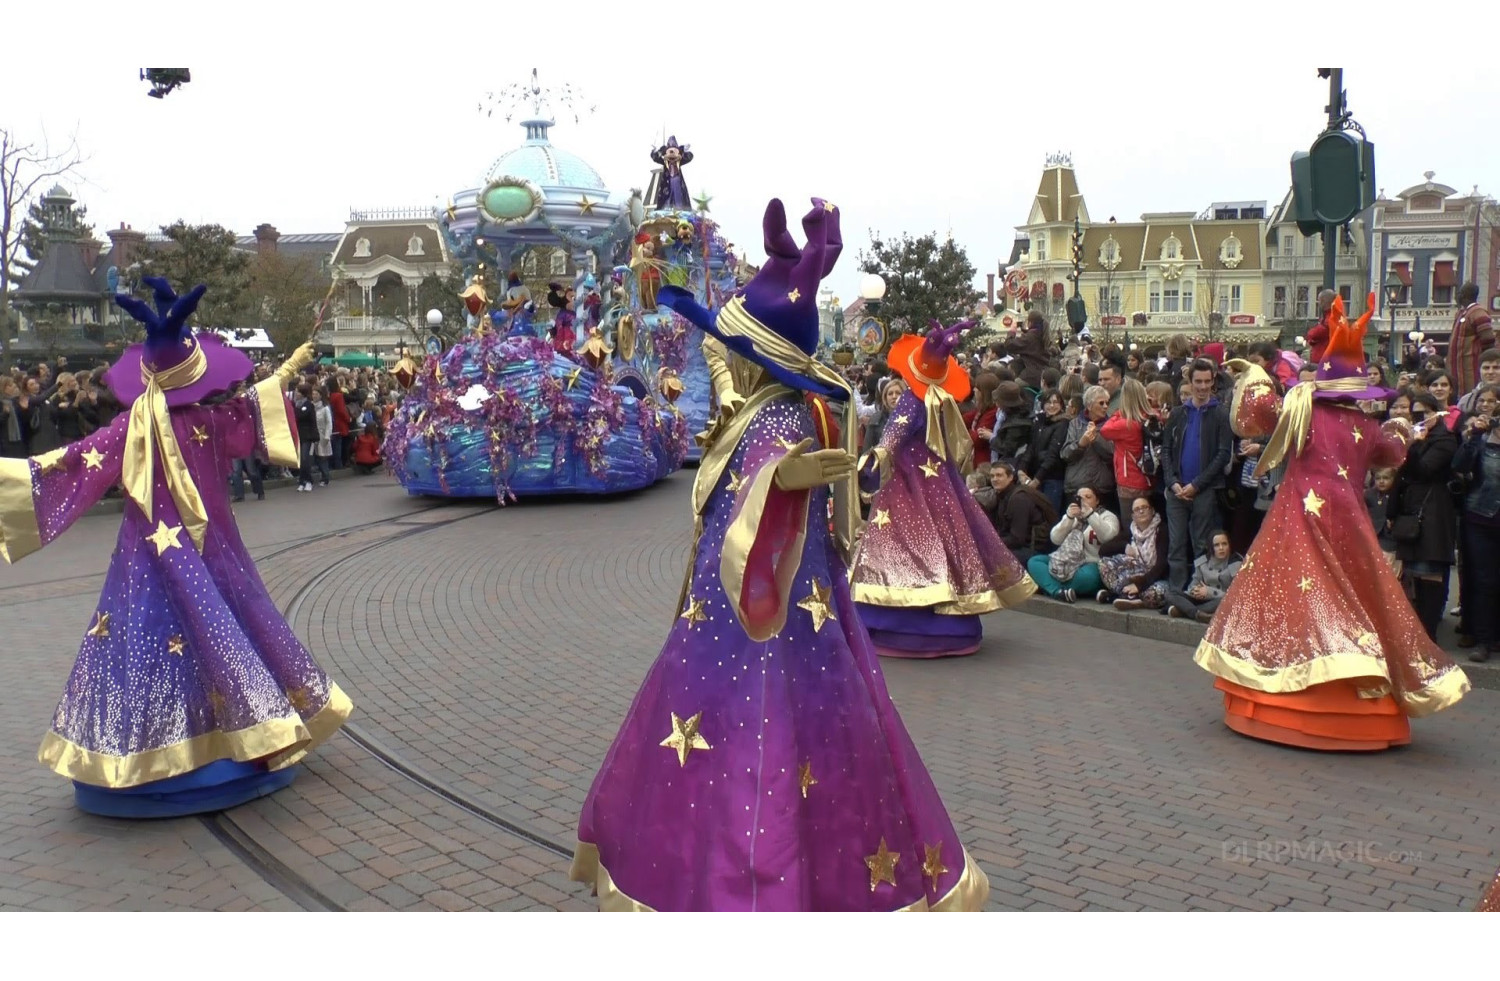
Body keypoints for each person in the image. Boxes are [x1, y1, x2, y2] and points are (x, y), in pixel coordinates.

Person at [572, 196, 988, 911]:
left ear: (761, 355)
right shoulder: (779, 409)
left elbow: (771, 489)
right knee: (804, 741)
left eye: (736, 344)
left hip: (757, 627)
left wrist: (782, 480)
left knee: (763, 748)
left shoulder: (781, 419)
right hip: (764, 619)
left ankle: (752, 890)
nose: (726, 354)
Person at [0, 277, 351, 816]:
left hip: (145, 559)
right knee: (224, 632)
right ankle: (243, 730)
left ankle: (143, 748)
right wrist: (286, 370)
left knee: (142, 644)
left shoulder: (127, 430)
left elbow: (68, 465)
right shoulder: (212, 419)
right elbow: (254, 414)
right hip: (211, 554)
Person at [1194, 297, 1468, 751]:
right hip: (1351, 522)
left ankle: (1292, 689)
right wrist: (1409, 428)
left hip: (1299, 516)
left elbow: (1255, 416)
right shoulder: (1366, 425)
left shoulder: (1304, 410)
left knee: (1297, 595)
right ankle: (1359, 686)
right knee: (1352, 593)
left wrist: (1259, 375)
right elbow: (1391, 453)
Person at [850, 319, 1036, 658]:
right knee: (949, 542)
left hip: (908, 485)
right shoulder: (943, 400)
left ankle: (902, 629)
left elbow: (892, 437)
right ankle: (953, 628)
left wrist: (872, 461)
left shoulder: (912, 401)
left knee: (908, 546)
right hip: (942, 483)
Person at [1161, 359, 1232, 589]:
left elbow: (1222, 454)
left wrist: (1198, 484)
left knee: (1201, 544)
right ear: (1189, 382)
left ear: (1213, 382)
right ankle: (1176, 591)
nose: (1202, 387)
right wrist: (1172, 482)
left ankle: (1199, 589)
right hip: (1177, 489)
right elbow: (1166, 451)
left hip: (1205, 490)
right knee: (1176, 544)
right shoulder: (1178, 413)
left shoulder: (1221, 414)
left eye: (1207, 382)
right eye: (1198, 382)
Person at [1451, 384, 1500, 662]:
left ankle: (1495, 636)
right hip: (1480, 518)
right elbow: (1459, 466)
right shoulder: (1479, 439)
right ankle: (1482, 639)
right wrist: (1473, 437)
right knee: (1483, 580)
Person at [1024, 487, 1119, 602]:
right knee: (1035, 562)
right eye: (1079, 498)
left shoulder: (1108, 516)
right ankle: (1058, 591)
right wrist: (1069, 518)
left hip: (1090, 563)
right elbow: (1055, 539)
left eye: (1088, 497)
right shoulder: (1072, 515)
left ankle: (1051, 587)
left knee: (1089, 578)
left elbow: (1107, 536)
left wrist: (1090, 514)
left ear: (1097, 500)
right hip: (1065, 561)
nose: (1083, 501)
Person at [972, 459, 1055, 564]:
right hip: (1019, 545)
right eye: (992, 476)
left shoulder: (1019, 499)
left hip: (1032, 549)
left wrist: (990, 542)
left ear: (1010, 477)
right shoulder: (1002, 496)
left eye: (999, 475)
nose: (995, 479)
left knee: (986, 556)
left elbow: (1017, 538)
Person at [1094, 496, 1169, 611]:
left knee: (1157, 593)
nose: (1141, 511)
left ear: (1152, 511)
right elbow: (1103, 550)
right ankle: (1130, 596)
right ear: (1133, 516)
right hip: (1134, 577)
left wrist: (1139, 585)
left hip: (1155, 579)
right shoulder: (1131, 531)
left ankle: (1123, 597)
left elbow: (1161, 565)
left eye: (1144, 507)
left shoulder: (1162, 530)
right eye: (1137, 509)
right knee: (1104, 563)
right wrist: (1125, 547)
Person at [1164, 531, 1241, 622]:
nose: (1221, 548)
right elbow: (1193, 585)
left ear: (1229, 545)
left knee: (1225, 601)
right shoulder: (1202, 562)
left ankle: (1183, 611)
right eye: (1216, 545)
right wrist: (1195, 591)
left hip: (1219, 599)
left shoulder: (1236, 563)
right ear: (1210, 547)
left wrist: (1209, 592)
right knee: (1170, 593)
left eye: (1224, 544)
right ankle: (1197, 614)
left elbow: (1237, 595)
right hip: (1201, 599)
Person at [1450, 282, 1496, 398]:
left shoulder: (1478, 312)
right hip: (1458, 371)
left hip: (1470, 368)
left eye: (1459, 293)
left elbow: (1488, 339)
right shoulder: (1461, 313)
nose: (1457, 296)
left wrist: (1482, 359)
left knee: (1471, 396)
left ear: (1465, 295)